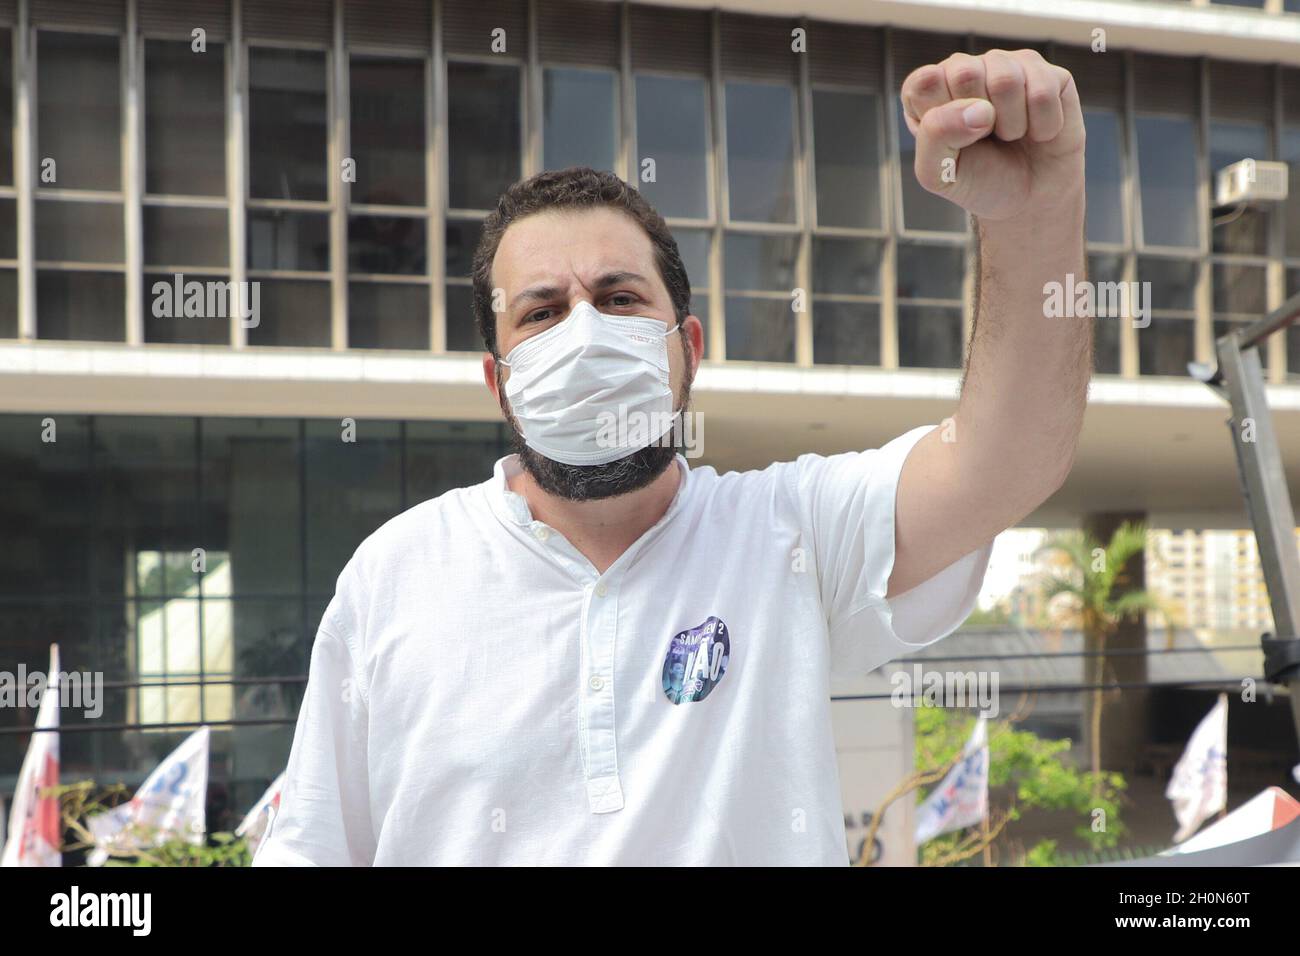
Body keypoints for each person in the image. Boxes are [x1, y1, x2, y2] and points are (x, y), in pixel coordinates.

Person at [254, 47, 1089, 866]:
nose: (584, 332)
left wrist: (1033, 215)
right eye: (541, 313)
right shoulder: (394, 575)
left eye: (619, 299)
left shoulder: (788, 531)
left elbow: (1003, 464)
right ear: (498, 381)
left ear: (685, 347)